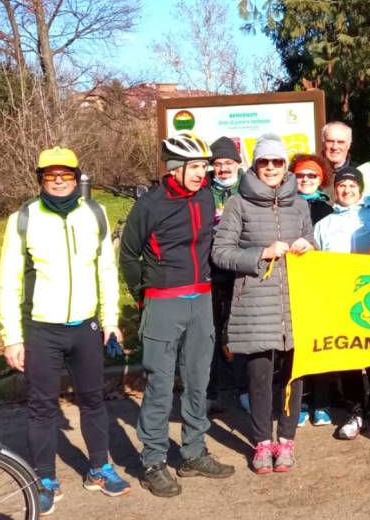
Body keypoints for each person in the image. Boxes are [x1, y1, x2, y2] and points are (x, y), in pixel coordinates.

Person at [0, 147, 130, 515]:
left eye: (66, 175)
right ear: (40, 178)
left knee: (93, 400)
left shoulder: (95, 214)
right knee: (42, 406)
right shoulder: (22, 219)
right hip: (42, 328)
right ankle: (44, 479)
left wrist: (110, 320)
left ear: (76, 177)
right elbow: (7, 281)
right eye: (51, 175)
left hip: (85, 326)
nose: (58, 181)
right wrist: (12, 336)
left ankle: (100, 469)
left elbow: (106, 270)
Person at [120, 132, 235, 497]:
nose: (204, 172)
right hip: (163, 301)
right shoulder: (149, 205)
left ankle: (192, 452)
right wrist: (145, 296)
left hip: (200, 299)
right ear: (176, 167)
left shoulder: (203, 197)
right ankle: (153, 460)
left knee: (198, 379)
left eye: (205, 166)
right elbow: (128, 256)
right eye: (198, 166)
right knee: (159, 383)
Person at [211, 134, 317, 473]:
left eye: (277, 162)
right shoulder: (238, 204)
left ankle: (286, 441)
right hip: (256, 303)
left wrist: (308, 245)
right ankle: (261, 442)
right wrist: (262, 254)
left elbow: (312, 240)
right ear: (255, 166)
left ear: (285, 166)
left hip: (296, 302)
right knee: (258, 378)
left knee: (293, 377)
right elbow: (221, 253)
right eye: (264, 162)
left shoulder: (299, 204)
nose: (270, 168)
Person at [312, 167, 370, 441]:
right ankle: (356, 412)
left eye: (352, 185)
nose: (347, 190)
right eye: (341, 186)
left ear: (361, 189)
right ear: (334, 190)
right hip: (340, 299)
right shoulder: (323, 224)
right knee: (348, 357)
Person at [290, 153, 335, 427]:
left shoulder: (327, 209)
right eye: (301, 175)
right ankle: (300, 402)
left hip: (321, 284)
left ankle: (322, 402)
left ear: (321, 179)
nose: (306, 179)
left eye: (312, 175)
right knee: (296, 348)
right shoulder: (283, 206)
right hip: (293, 283)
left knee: (321, 345)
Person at [206, 136, 247, 414]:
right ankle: (209, 390)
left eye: (228, 163)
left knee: (242, 330)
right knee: (208, 331)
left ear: (237, 163)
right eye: (218, 164)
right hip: (209, 270)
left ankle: (245, 388)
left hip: (240, 268)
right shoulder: (203, 190)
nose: (223, 169)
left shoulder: (248, 187)